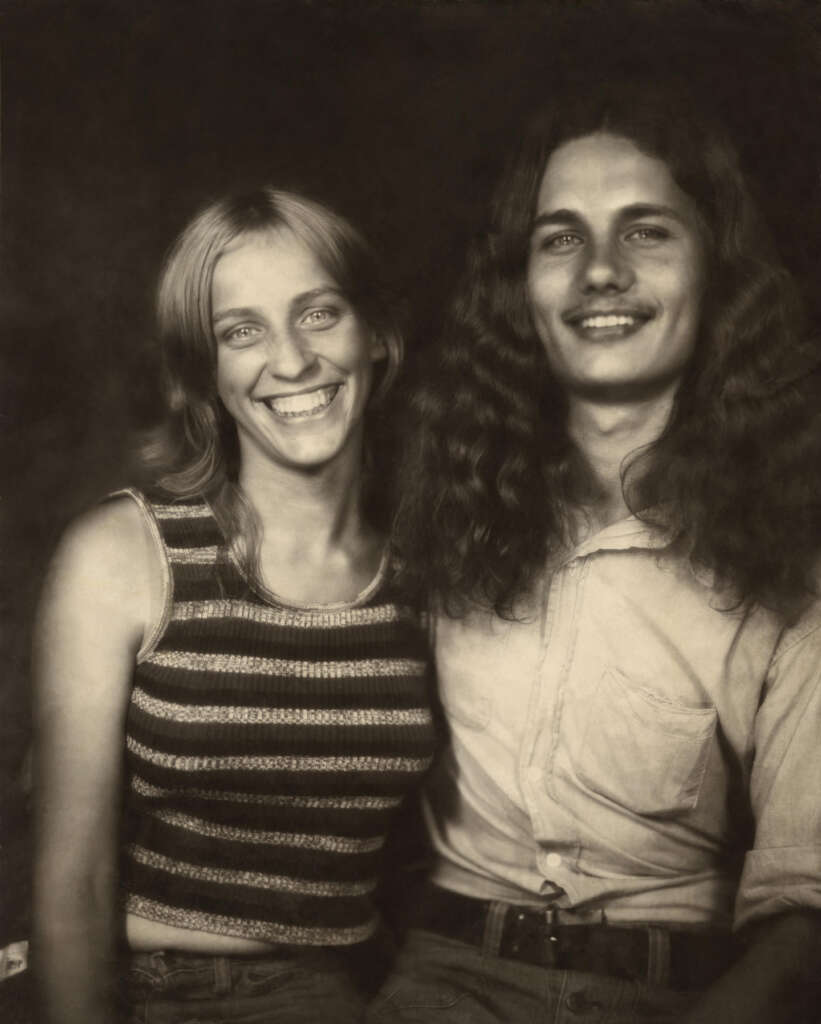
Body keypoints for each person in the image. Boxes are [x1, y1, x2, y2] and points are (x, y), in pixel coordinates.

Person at [368, 84, 821, 1024]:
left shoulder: (790, 548)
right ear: (519, 286)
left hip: (672, 994)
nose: (600, 271)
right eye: (560, 238)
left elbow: (804, 910)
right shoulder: (439, 503)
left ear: (716, 270)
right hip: (439, 981)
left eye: (646, 231)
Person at [32, 188, 437, 1024]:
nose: (290, 361)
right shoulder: (122, 556)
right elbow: (72, 883)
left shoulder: (425, 574)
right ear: (203, 374)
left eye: (319, 313)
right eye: (240, 331)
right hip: (166, 992)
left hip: (359, 991)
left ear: (376, 336)